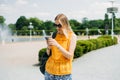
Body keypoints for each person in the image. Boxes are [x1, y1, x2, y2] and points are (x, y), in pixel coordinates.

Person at [45, 13, 77, 80]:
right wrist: (48, 47)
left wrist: (57, 45)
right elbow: (48, 54)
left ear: (65, 24)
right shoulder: (54, 35)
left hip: (64, 74)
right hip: (49, 72)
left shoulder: (72, 36)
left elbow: (70, 56)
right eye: (55, 25)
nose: (57, 28)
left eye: (59, 25)